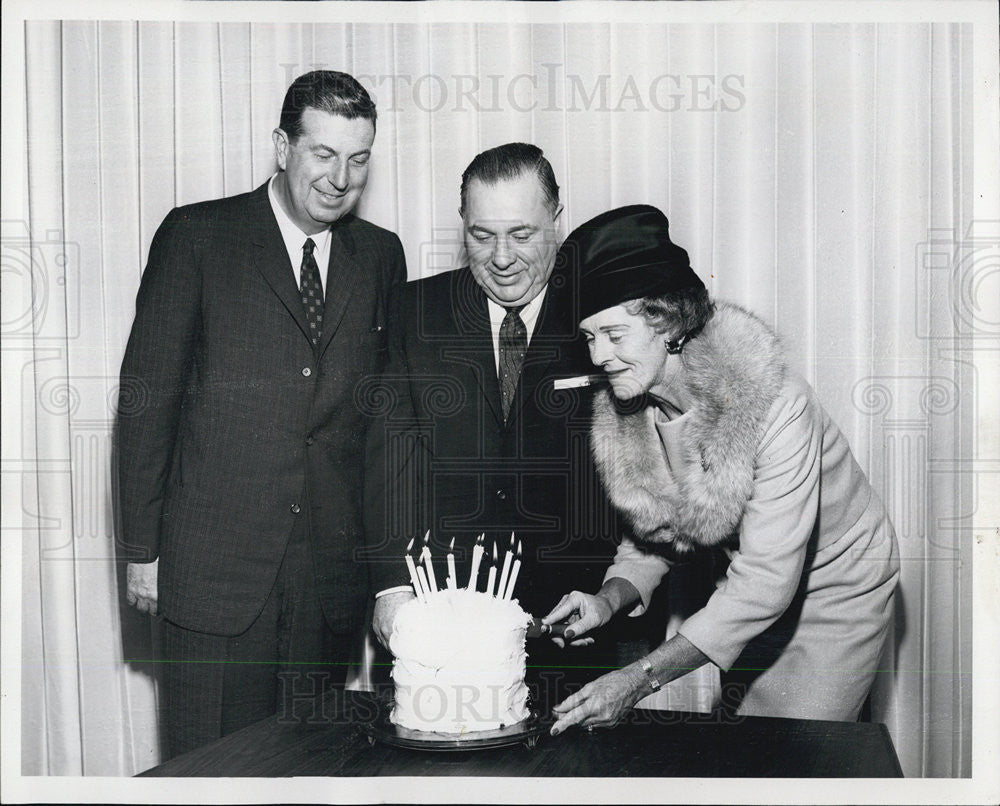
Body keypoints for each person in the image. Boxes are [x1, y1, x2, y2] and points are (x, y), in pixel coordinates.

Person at [117, 70, 406, 758]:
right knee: (209, 773)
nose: (340, 178)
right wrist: (140, 552)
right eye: (323, 154)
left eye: (358, 159)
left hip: (329, 587)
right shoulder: (197, 236)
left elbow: (385, 427)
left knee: (308, 770)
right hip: (212, 579)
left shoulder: (381, 256)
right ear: (283, 147)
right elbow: (145, 403)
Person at [543, 205, 900, 734]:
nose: (599, 357)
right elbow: (654, 535)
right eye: (590, 337)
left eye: (614, 336)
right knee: (718, 743)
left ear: (666, 322)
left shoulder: (778, 404)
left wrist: (638, 679)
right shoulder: (630, 404)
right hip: (745, 577)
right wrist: (607, 598)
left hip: (836, 583)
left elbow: (764, 584)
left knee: (789, 749)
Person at [363, 143, 619, 709]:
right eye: (482, 235)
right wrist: (390, 587)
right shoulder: (413, 311)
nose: (502, 257)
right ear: (462, 226)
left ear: (557, 220)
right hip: (442, 631)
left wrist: (614, 596)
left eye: (522, 234)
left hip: (580, 625)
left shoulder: (604, 313)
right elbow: (389, 460)